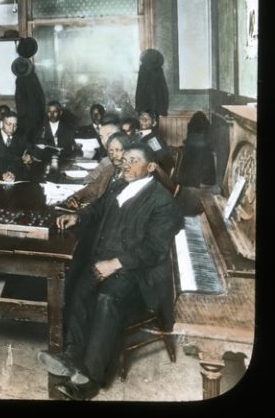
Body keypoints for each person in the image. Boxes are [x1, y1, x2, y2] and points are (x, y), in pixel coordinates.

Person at [38, 143, 183, 400]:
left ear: (150, 167)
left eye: (134, 160)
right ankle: (71, 356)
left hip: (137, 274)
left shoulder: (163, 202)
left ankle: (90, 379)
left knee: (108, 299)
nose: (126, 164)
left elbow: (154, 249)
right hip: (102, 261)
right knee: (75, 286)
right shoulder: (118, 185)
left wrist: (114, 264)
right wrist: (79, 217)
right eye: (125, 159)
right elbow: (97, 208)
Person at [61, 132, 129, 210]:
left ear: (128, 151)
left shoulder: (130, 176)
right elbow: (91, 189)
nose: (114, 155)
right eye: (111, 151)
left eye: (118, 150)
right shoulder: (109, 169)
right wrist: (76, 197)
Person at [176, 111, 216, 187]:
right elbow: (210, 142)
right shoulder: (207, 125)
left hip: (191, 147)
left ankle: (188, 180)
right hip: (203, 146)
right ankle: (203, 181)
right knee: (207, 154)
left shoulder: (190, 125)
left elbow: (187, 139)